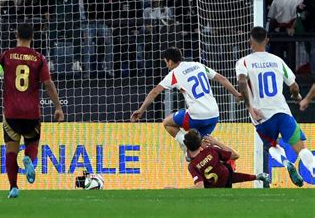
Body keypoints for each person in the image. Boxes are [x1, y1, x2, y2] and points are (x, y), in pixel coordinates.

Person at [0, 23, 64, 198]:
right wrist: (58, 107)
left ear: (16, 35)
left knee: (11, 149)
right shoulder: (39, 58)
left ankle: (13, 187)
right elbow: (48, 84)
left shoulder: (6, 56)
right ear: (32, 37)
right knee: (32, 144)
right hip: (31, 112)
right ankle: (29, 160)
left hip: (11, 113)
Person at [236, 26, 315, 187]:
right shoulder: (277, 60)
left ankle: (286, 163)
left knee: (271, 145)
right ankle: (313, 169)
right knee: (301, 148)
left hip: (261, 116)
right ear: (267, 40)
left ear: (250, 42)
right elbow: (293, 86)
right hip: (282, 112)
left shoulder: (244, 61)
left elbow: (242, 81)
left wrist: (250, 107)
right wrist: (297, 97)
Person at [131, 47, 241, 153]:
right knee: (198, 148)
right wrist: (236, 94)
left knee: (167, 123)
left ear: (169, 62)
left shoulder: (174, 74)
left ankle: (185, 143)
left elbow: (155, 91)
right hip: (214, 115)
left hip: (197, 115)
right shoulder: (198, 65)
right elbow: (222, 78)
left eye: (165, 62)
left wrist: (141, 110)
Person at [184, 130, 269, 188]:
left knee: (225, 170)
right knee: (227, 168)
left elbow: (200, 185)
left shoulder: (192, 165)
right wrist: (216, 142)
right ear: (199, 143)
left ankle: (257, 177)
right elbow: (235, 155)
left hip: (212, 190)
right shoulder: (211, 151)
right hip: (225, 181)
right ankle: (258, 177)